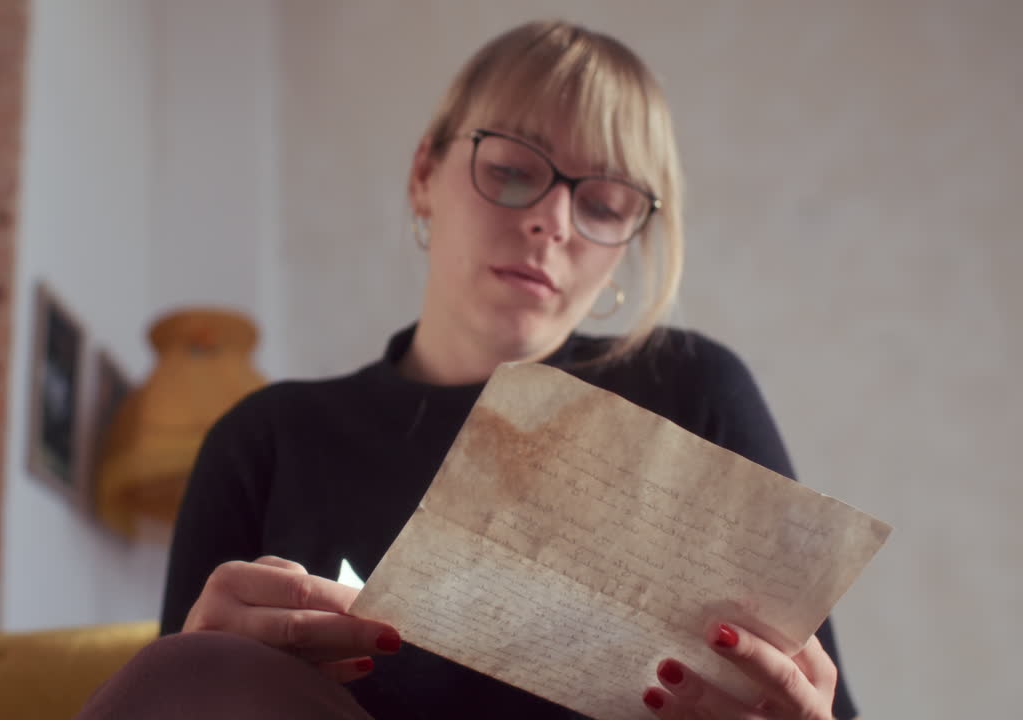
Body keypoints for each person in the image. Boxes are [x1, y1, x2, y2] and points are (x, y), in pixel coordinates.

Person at [78, 19, 859, 720]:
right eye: (515, 169)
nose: (551, 220)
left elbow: (820, 703)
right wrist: (203, 661)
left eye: (605, 203)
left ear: (628, 240)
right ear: (425, 175)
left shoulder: (693, 393)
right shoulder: (265, 439)